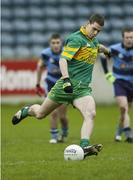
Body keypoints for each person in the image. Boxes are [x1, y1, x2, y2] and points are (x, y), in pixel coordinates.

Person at [12, 14, 110, 157]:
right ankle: (27, 110)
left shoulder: (93, 41)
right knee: (40, 114)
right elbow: (63, 60)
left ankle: (84, 147)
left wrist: (107, 51)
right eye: (94, 29)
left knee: (91, 113)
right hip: (66, 86)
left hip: (82, 89)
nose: (95, 33)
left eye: (98, 31)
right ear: (88, 23)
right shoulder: (76, 39)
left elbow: (97, 47)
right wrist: (66, 80)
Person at [100, 27, 133, 143]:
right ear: (123, 38)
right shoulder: (115, 49)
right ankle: (128, 134)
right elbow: (103, 57)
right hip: (119, 82)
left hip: (131, 84)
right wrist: (107, 73)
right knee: (124, 107)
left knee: (125, 111)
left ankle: (119, 131)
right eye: (127, 37)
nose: (129, 39)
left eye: (131, 37)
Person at [35, 33, 69, 143]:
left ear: (61, 43)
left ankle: (64, 132)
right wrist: (38, 83)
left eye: (57, 43)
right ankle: (54, 136)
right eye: (53, 43)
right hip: (50, 83)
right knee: (53, 112)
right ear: (50, 44)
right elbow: (40, 67)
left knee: (62, 116)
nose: (55, 45)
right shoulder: (45, 54)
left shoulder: (67, 53)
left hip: (63, 84)